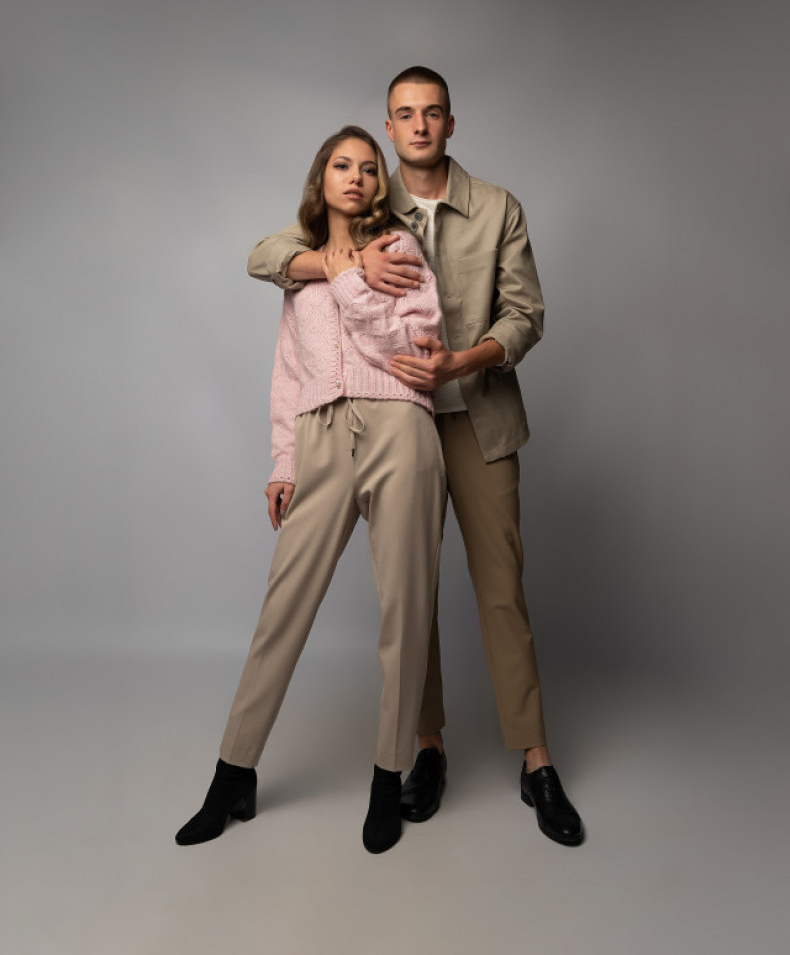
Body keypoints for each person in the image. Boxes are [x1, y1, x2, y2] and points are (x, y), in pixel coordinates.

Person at [246, 68, 584, 846]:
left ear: (450, 124)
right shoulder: (364, 199)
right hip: (396, 423)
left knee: (502, 590)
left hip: (479, 419)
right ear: (390, 127)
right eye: (405, 114)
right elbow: (269, 255)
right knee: (412, 595)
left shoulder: (497, 207)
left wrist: (463, 361)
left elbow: (526, 315)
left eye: (433, 113)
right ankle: (426, 748)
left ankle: (536, 759)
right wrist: (343, 264)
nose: (420, 125)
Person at [175, 126, 445, 855]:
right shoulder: (299, 265)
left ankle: (388, 776)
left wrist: (351, 275)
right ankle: (233, 776)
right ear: (321, 178)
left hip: (400, 427)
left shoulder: (400, 249)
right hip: (321, 433)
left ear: (380, 185)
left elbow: (407, 348)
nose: (355, 176)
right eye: (341, 165)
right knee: (282, 607)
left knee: (406, 607)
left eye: (369, 167)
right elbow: (289, 372)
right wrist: (283, 463)